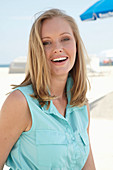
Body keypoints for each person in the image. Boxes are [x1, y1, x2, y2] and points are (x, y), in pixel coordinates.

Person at [0, 8, 96, 170]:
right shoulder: (20, 102)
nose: (58, 48)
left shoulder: (81, 106)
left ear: (77, 45)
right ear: (36, 50)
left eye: (65, 39)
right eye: (46, 42)